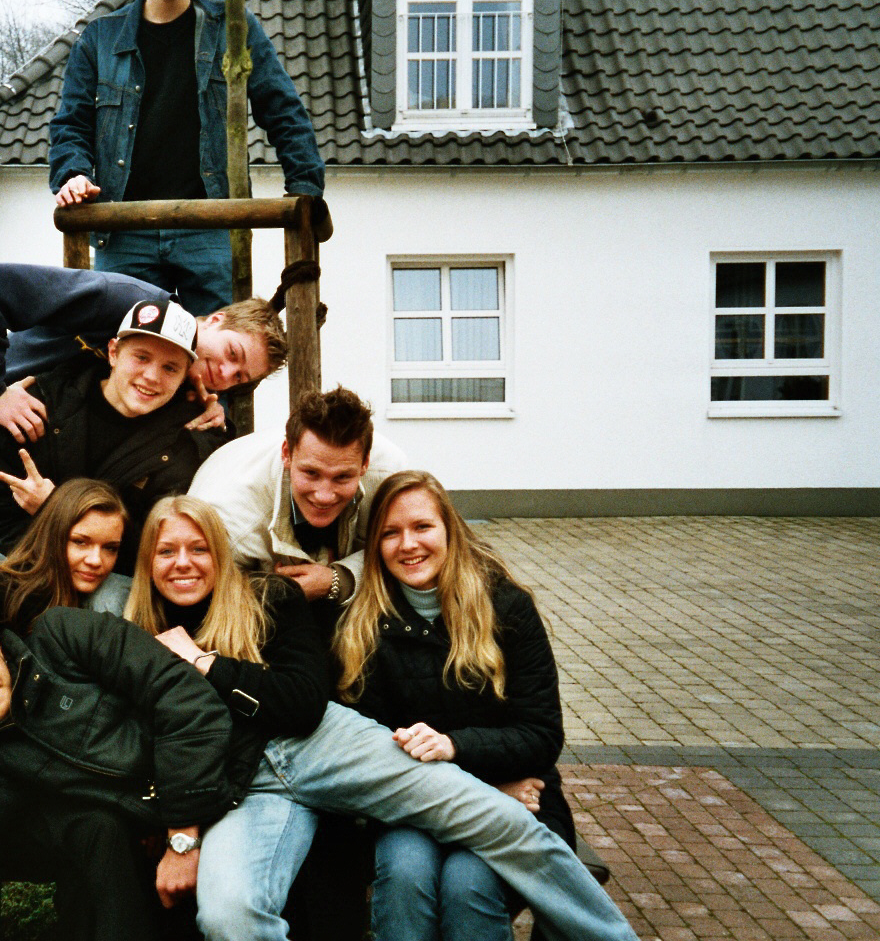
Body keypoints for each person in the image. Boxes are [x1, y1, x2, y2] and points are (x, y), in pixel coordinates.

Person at [121, 495, 640, 941]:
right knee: (227, 915)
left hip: (323, 746)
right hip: (248, 784)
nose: (183, 563)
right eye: (166, 551)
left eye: (199, 549)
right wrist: (181, 831)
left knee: (498, 820)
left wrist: (205, 663)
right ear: (147, 562)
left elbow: (301, 702)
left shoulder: (268, 598)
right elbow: (155, 742)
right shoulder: (133, 636)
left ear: (220, 553)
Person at [0, 604, 233, 941]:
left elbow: (186, 699)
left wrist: (181, 834)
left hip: (227, 787)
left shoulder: (62, 637)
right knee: (96, 829)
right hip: (136, 840)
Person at [338, 469, 577, 941]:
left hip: (520, 801)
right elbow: (368, 754)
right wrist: (486, 791)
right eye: (390, 533)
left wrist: (453, 746)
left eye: (422, 527)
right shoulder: (364, 624)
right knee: (405, 875)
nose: (408, 544)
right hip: (415, 807)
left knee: (468, 884)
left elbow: (541, 735)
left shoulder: (506, 607)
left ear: (449, 529)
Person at [48, 0, 325, 315]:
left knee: (217, 346)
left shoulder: (233, 28)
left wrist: (305, 189)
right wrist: (73, 174)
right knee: (129, 344)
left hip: (211, 227)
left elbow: (283, 109)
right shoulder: (99, 39)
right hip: (124, 228)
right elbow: (71, 123)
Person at [0, 263, 287, 532]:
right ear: (215, 320)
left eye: (239, 377)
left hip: (31, 463)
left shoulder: (186, 388)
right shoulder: (126, 300)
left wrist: (213, 409)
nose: (224, 372)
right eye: (232, 353)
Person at [0, 299, 224, 569]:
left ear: (184, 376)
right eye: (141, 357)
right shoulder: (41, 403)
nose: (151, 376)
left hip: (108, 578)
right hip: (27, 563)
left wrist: (55, 510)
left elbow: (154, 547)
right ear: (113, 352)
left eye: (170, 368)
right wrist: (52, 566)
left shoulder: (185, 442)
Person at [189, 386, 406, 603]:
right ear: (287, 454)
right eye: (311, 473)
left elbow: (414, 553)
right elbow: (206, 599)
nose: (324, 496)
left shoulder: (388, 473)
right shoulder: (229, 515)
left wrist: (339, 578)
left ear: (365, 463)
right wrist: (271, 590)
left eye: (342, 477)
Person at [0, 477, 131, 634]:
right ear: (52, 536)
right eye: (80, 542)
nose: (95, 560)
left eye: (110, 548)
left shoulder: (107, 606)